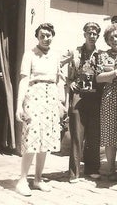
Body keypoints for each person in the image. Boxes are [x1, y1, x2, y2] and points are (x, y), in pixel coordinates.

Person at [15, 23, 61, 196]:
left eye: (48, 35)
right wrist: (18, 105)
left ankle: (38, 179)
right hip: (34, 96)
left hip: (51, 97)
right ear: (37, 37)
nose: (45, 38)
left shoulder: (55, 55)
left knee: (46, 139)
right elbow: (24, 80)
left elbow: (58, 81)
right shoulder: (29, 54)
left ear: (52, 35)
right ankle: (22, 180)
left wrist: (60, 102)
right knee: (32, 137)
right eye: (42, 35)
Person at [62, 22, 103, 183]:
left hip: (95, 97)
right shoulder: (75, 52)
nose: (92, 36)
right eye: (89, 33)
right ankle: (74, 172)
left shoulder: (101, 54)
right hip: (78, 96)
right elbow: (57, 63)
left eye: (95, 34)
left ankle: (93, 169)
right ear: (84, 34)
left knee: (94, 135)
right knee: (77, 135)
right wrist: (68, 82)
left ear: (98, 36)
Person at [96, 23, 117, 181]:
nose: (115, 39)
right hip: (109, 98)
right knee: (110, 135)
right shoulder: (103, 56)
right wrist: (116, 73)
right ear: (108, 41)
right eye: (111, 38)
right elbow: (98, 77)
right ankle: (110, 168)